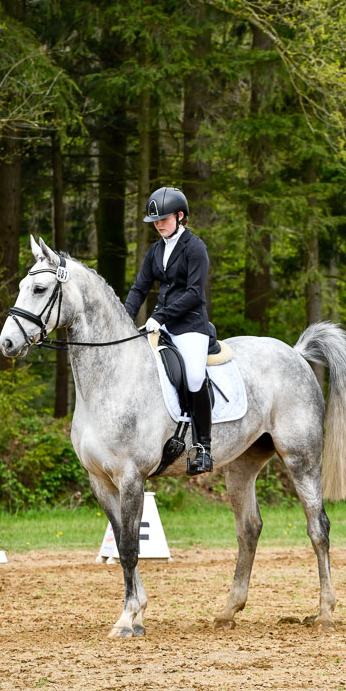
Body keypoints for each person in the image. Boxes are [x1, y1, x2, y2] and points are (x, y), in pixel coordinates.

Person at [125, 186, 213, 475]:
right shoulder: (156, 250)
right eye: (155, 221)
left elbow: (194, 294)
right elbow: (140, 288)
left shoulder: (195, 248)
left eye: (163, 219)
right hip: (162, 326)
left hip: (190, 326)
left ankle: (202, 448)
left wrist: (160, 316)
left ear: (180, 216)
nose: (159, 225)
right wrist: (124, 319)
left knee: (194, 376)